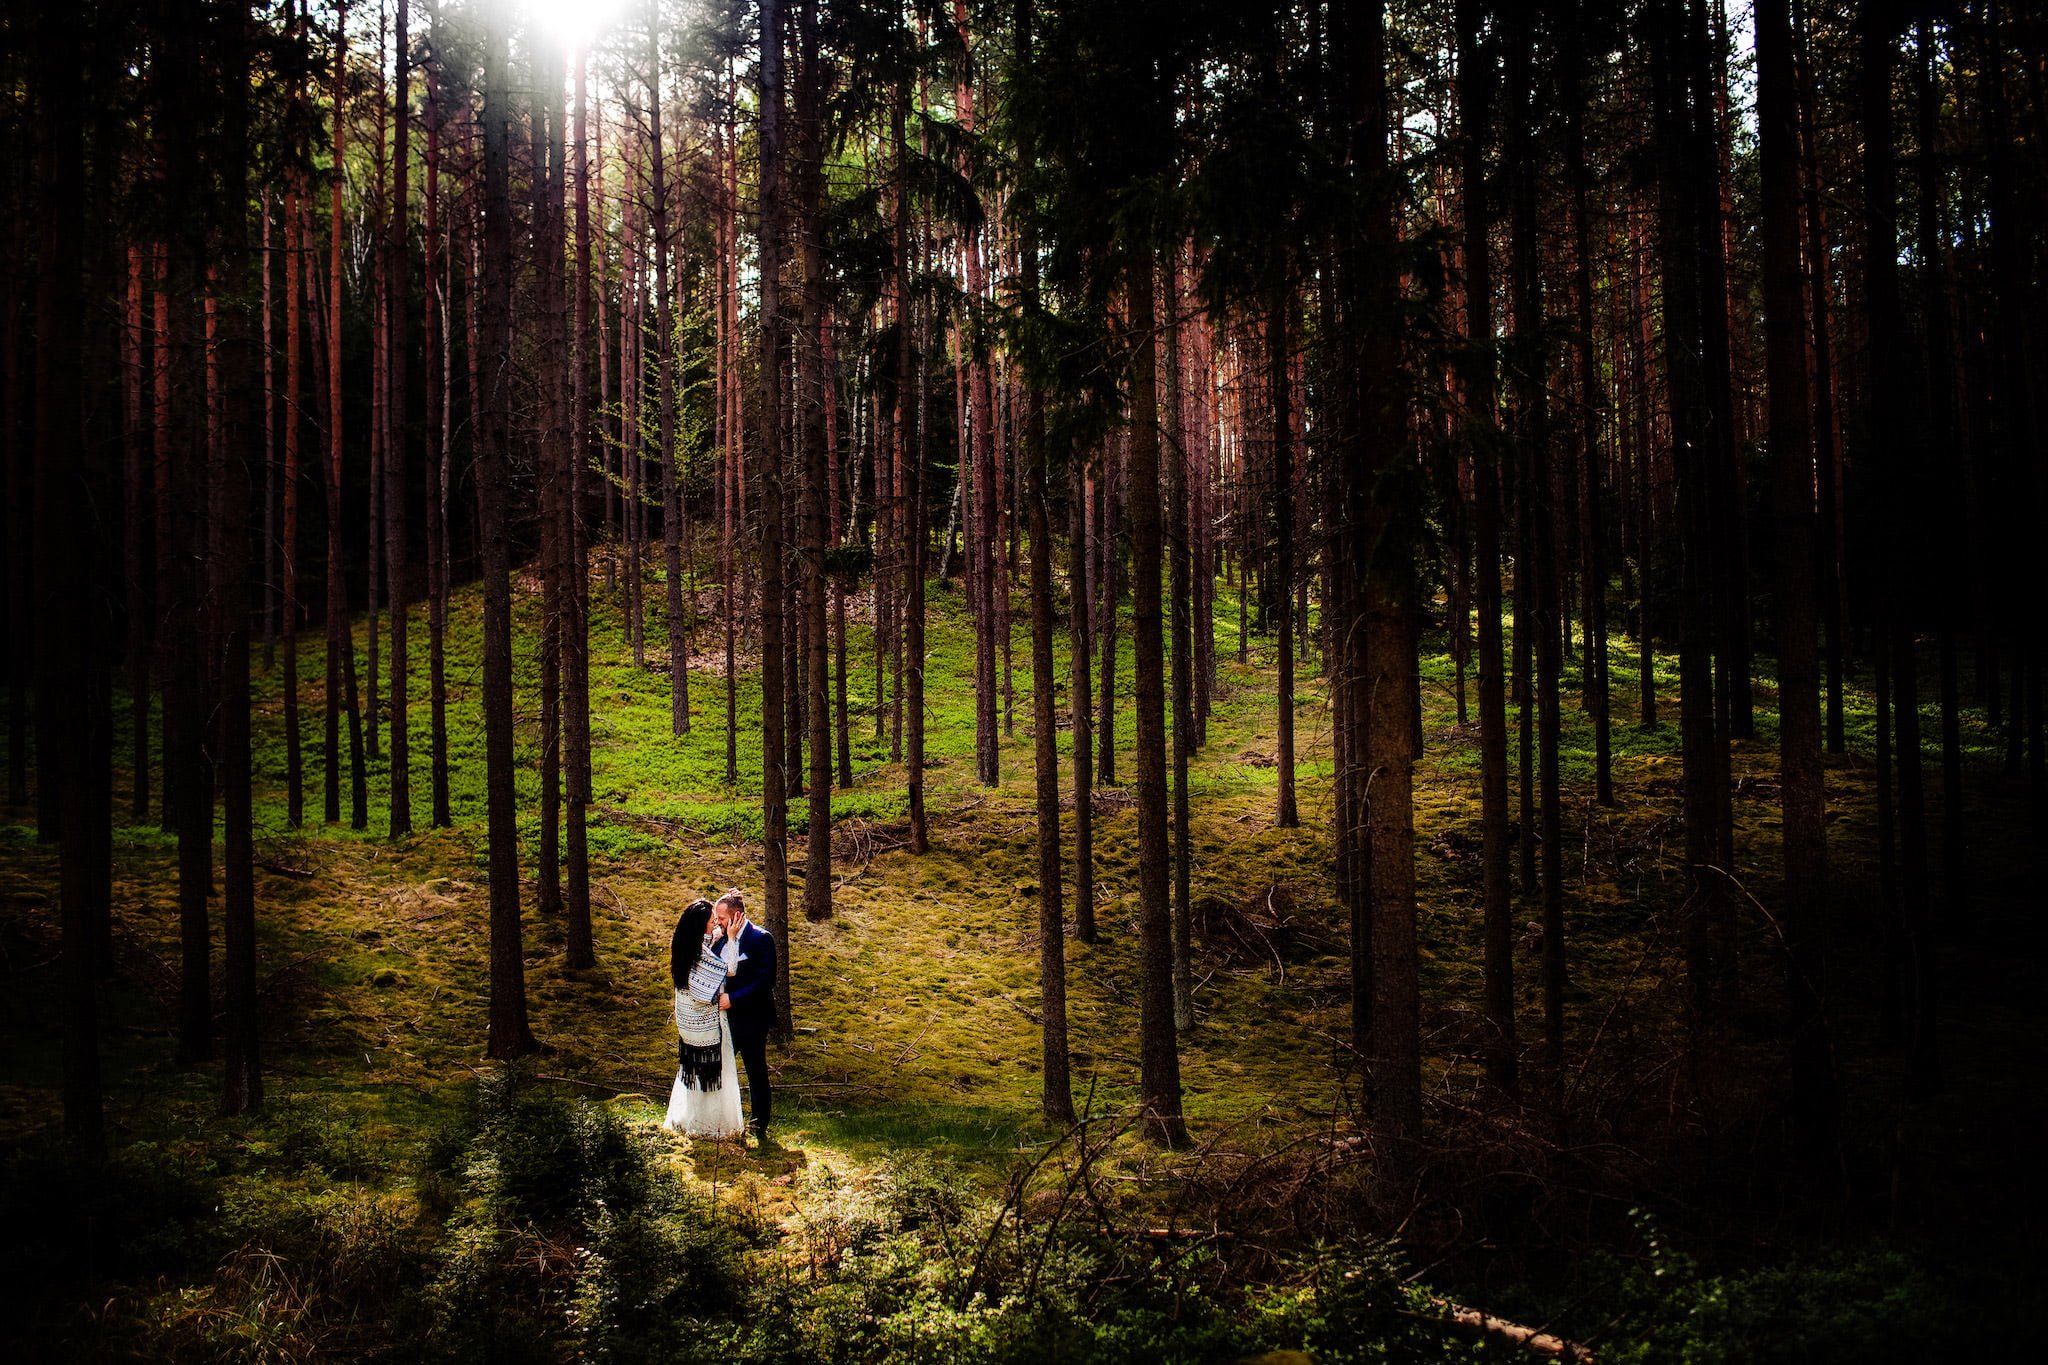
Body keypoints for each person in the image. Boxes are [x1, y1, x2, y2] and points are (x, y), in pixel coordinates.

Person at [663, 899, 743, 1139]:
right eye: (711, 921)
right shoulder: (699, 955)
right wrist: (731, 937)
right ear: (700, 925)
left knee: (692, 1074)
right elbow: (728, 968)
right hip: (706, 1025)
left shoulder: (684, 945)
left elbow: (711, 936)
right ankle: (709, 1125)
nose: (715, 926)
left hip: (688, 1025)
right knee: (714, 1075)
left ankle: (690, 1119)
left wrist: (725, 906)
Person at [712, 889, 777, 1147]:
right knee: (719, 1067)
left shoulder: (761, 938)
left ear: (736, 916)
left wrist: (734, 998)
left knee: (755, 1069)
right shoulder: (719, 940)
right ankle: (720, 1119)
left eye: (721, 918)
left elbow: (766, 980)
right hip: (724, 1018)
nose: (718, 922)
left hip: (752, 1017)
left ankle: (759, 1123)